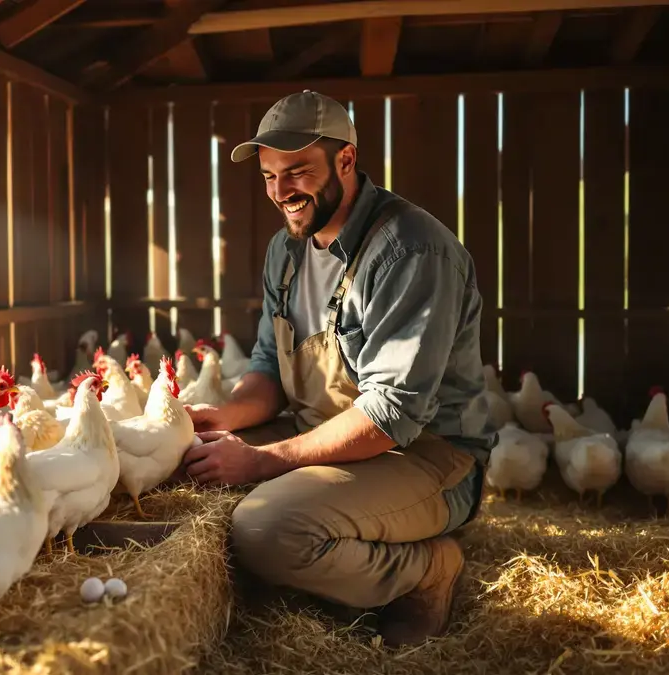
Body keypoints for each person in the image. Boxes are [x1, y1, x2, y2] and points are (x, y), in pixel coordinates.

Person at [180, 90, 492, 646]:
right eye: (271, 176)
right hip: (323, 431)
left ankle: (428, 571)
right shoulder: (287, 250)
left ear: (346, 161)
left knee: (266, 529)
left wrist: (262, 462)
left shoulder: (410, 251)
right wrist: (222, 414)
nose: (281, 192)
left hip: (423, 455)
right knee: (190, 461)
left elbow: (390, 416)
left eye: (297, 172)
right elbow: (269, 368)